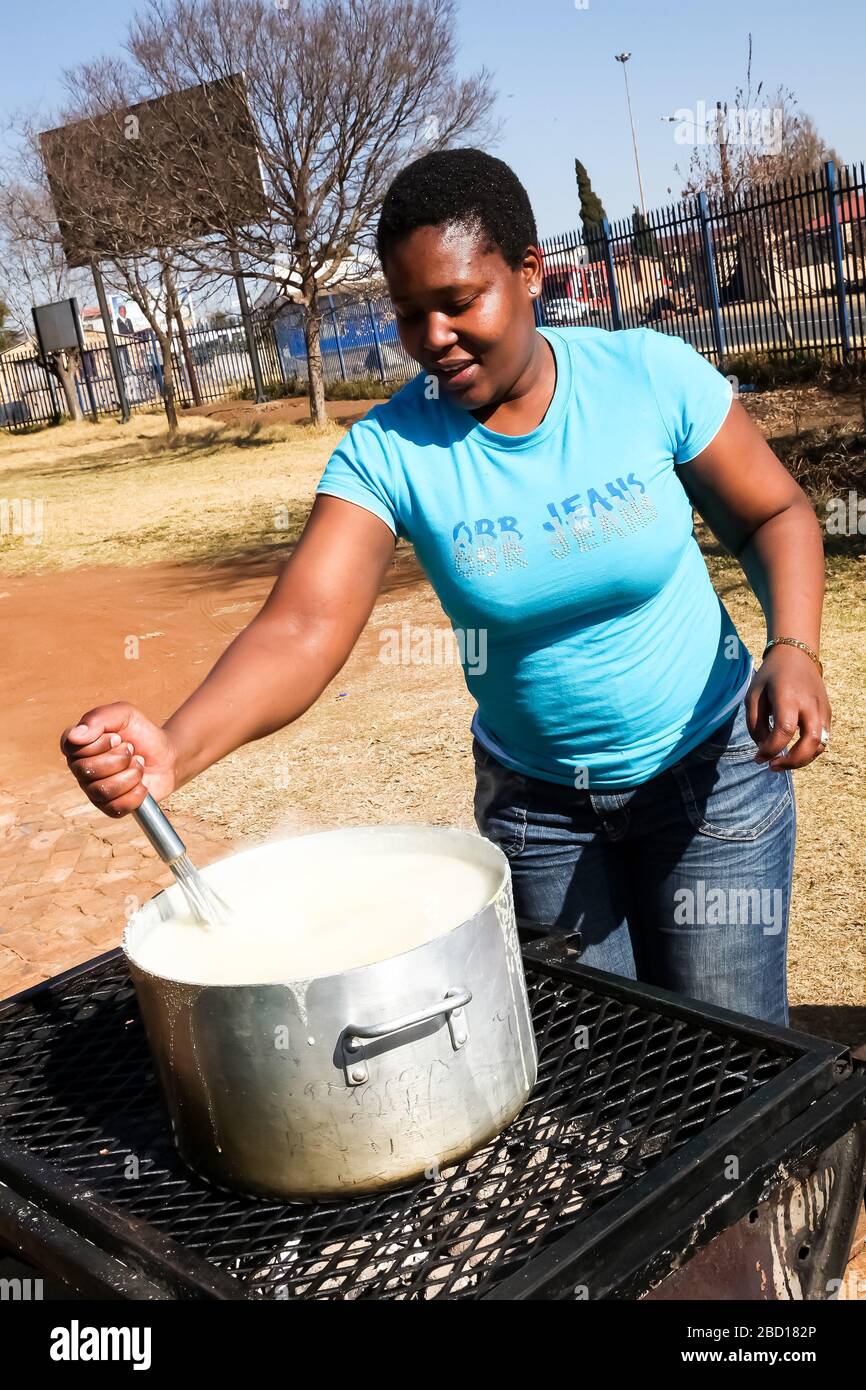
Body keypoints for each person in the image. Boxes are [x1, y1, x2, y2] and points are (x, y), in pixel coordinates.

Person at [61, 149, 831, 1026]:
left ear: (530, 273)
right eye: (409, 313)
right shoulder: (389, 450)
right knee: (602, 1080)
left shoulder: (647, 377)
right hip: (542, 819)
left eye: (460, 302)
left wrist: (795, 648)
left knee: (728, 1065)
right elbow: (304, 627)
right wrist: (174, 746)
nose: (433, 338)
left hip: (712, 780)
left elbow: (775, 515)